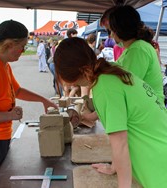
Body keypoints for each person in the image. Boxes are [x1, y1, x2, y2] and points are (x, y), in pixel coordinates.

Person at [54, 37, 167, 188]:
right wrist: (114, 167)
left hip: (158, 163)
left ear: (72, 74)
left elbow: (120, 144)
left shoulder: (105, 87)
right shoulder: (109, 72)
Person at [0, 20, 57, 188]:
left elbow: (16, 91)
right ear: (8, 45)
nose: (23, 51)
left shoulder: (2, 64)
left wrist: (44, 100)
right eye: (22, 46)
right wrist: (9, 115)